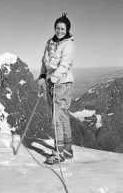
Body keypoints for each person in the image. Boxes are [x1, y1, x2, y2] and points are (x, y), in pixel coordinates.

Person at [38, 13, 75, 165]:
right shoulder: (50, 43)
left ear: (67, 30)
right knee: (62, 116)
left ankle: (59, 152)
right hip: (51, 84)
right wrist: (42, 76)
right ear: (55, 28)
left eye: (62, 28)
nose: (60, 31)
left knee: (56, 118)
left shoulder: (69, 45)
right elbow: (44, 61)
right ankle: (67, 149)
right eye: (58, 28)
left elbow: (65, 65)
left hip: (62, 85)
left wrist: (52, 78)